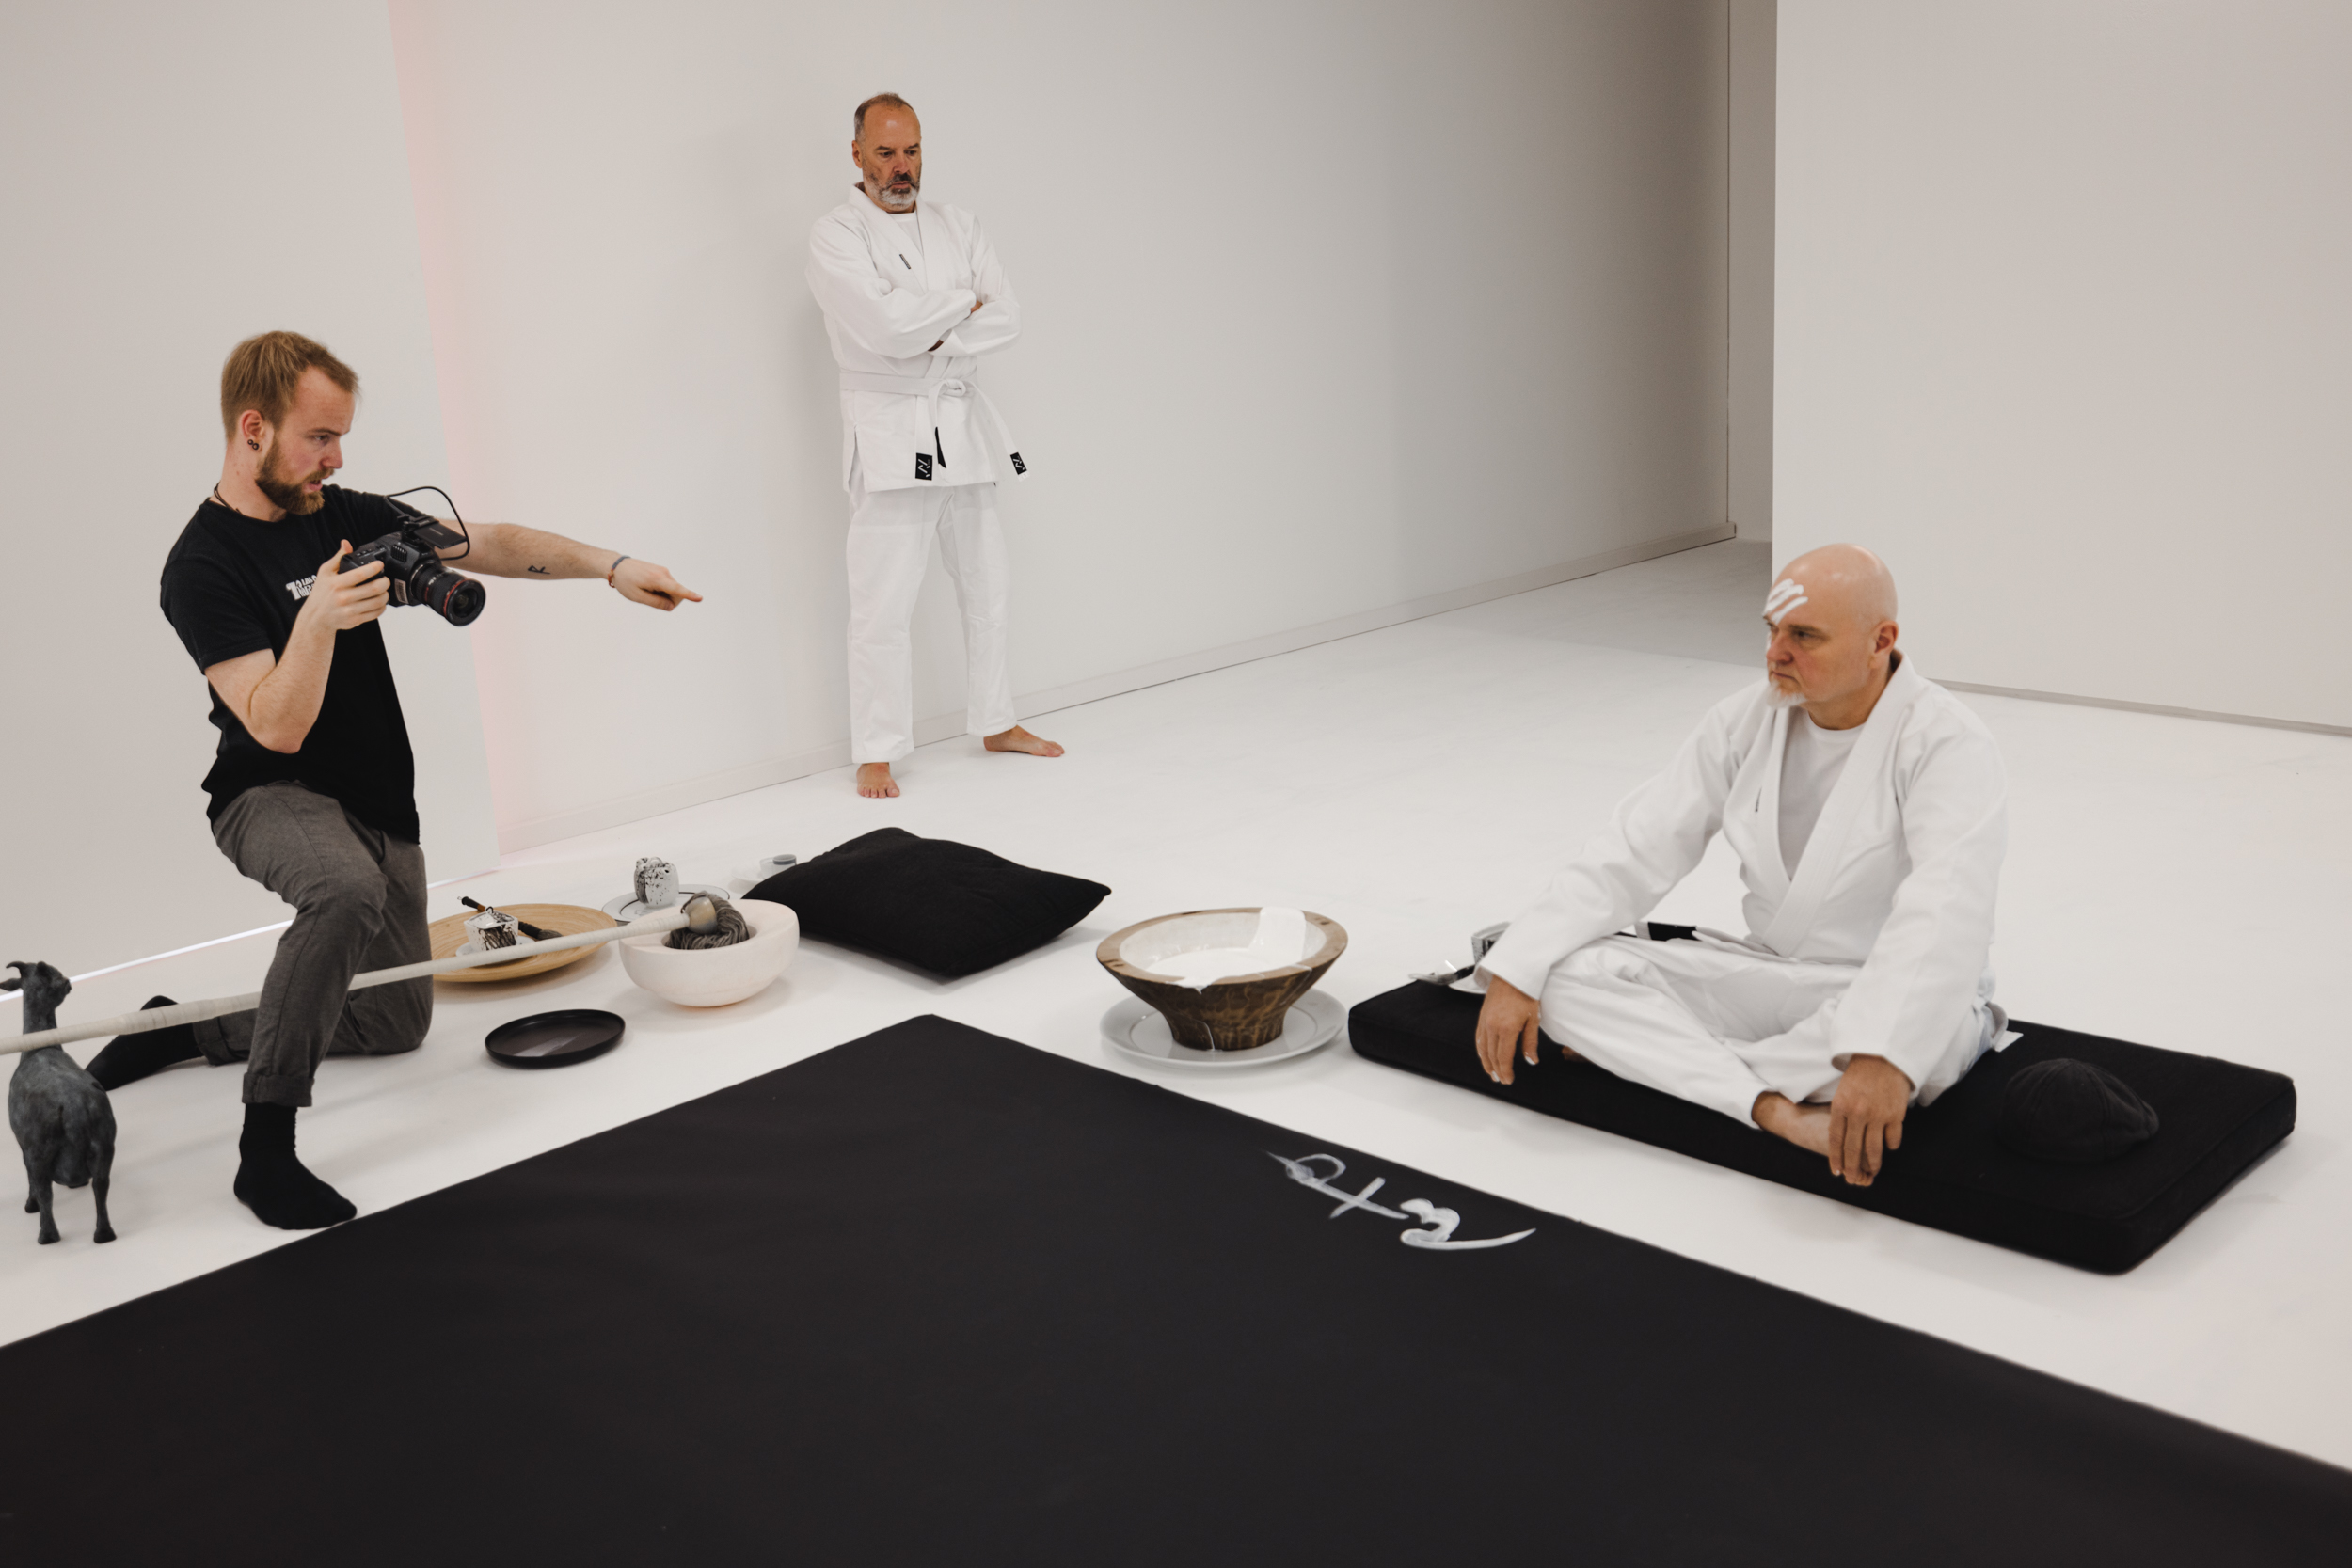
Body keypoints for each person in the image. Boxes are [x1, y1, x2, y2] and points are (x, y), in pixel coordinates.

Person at [91, 330, 700, 1230]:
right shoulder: (201, 566)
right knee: (342, 889)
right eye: (319, 437)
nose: (335, 459)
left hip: (375, 796)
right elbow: (274, 724)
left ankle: (183, 1027)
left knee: (393, 1021)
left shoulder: (336, 511)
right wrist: (318, 618)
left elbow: (489, 541)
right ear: (253, 429)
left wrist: (611, 567)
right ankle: (264, 1151)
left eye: (341, 437)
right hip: (268, 792)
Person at [1471, 545, 2009, 1188]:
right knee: (1562, 974)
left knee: (1929, 1045)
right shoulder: (1743, 720)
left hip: (1879, 991)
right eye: (1771, 629)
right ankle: (1774, 1108)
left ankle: (1668, 1060)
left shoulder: (1947, 742)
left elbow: (1946, 910)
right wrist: (1519, 968)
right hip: (1776, 978)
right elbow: (1637, 846)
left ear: (1880, 642)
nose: (1775, 652)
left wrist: (1882, 1052)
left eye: (1804, 635)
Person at [805, 91, 1062, 799]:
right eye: (886, 152)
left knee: (988, 584)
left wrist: (925, 324)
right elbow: (883, 329)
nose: (902, 167)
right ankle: (877, 749)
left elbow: (1008, 316)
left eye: (913, 151)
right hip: (890, 428)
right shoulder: (836, 234)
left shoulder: (960, 224)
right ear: (857, 153)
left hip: (961, 419)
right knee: (882, 602)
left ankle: (997, 720)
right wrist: (959, 305)